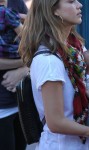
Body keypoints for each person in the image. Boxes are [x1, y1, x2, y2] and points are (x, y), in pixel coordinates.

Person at [18, 0, 89, 150]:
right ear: (53, 10)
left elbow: (87, 89)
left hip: (85, 144)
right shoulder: (49, 61)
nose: (79, 5)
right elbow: (56, 122)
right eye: (71, 1)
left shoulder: (76, 49)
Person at [0, 0, 29, 150]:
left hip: (19, 103)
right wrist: (23, 64)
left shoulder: (16, 4)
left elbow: (36, 42)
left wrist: (24, 69)